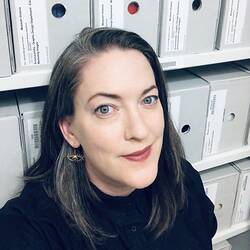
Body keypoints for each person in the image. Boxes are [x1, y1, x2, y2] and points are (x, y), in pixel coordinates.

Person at [0, 27, 217, 250]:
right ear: (70, 130)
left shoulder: (184, 179)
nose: (140, 131)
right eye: (105, 109)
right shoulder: (24, 230)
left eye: (149, 99)